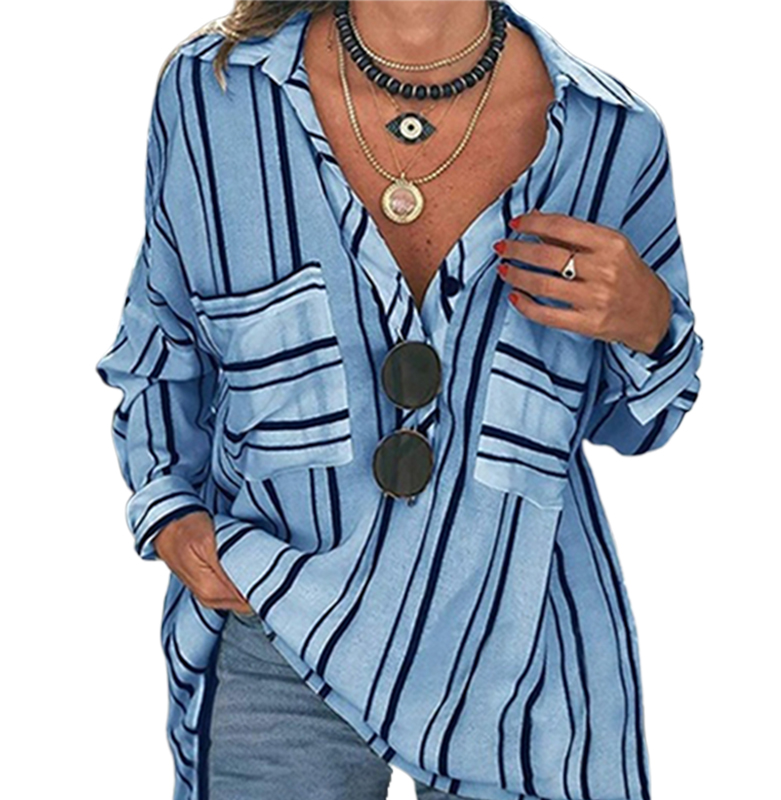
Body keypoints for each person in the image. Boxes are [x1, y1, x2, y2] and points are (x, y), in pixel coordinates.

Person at [95, 1, 704, 798]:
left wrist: (651, 324)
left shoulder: (610, 139)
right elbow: (159, 342)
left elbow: (639, 424)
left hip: (522, 663)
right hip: (275, 618)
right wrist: (170, 515)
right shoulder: (217, 95)